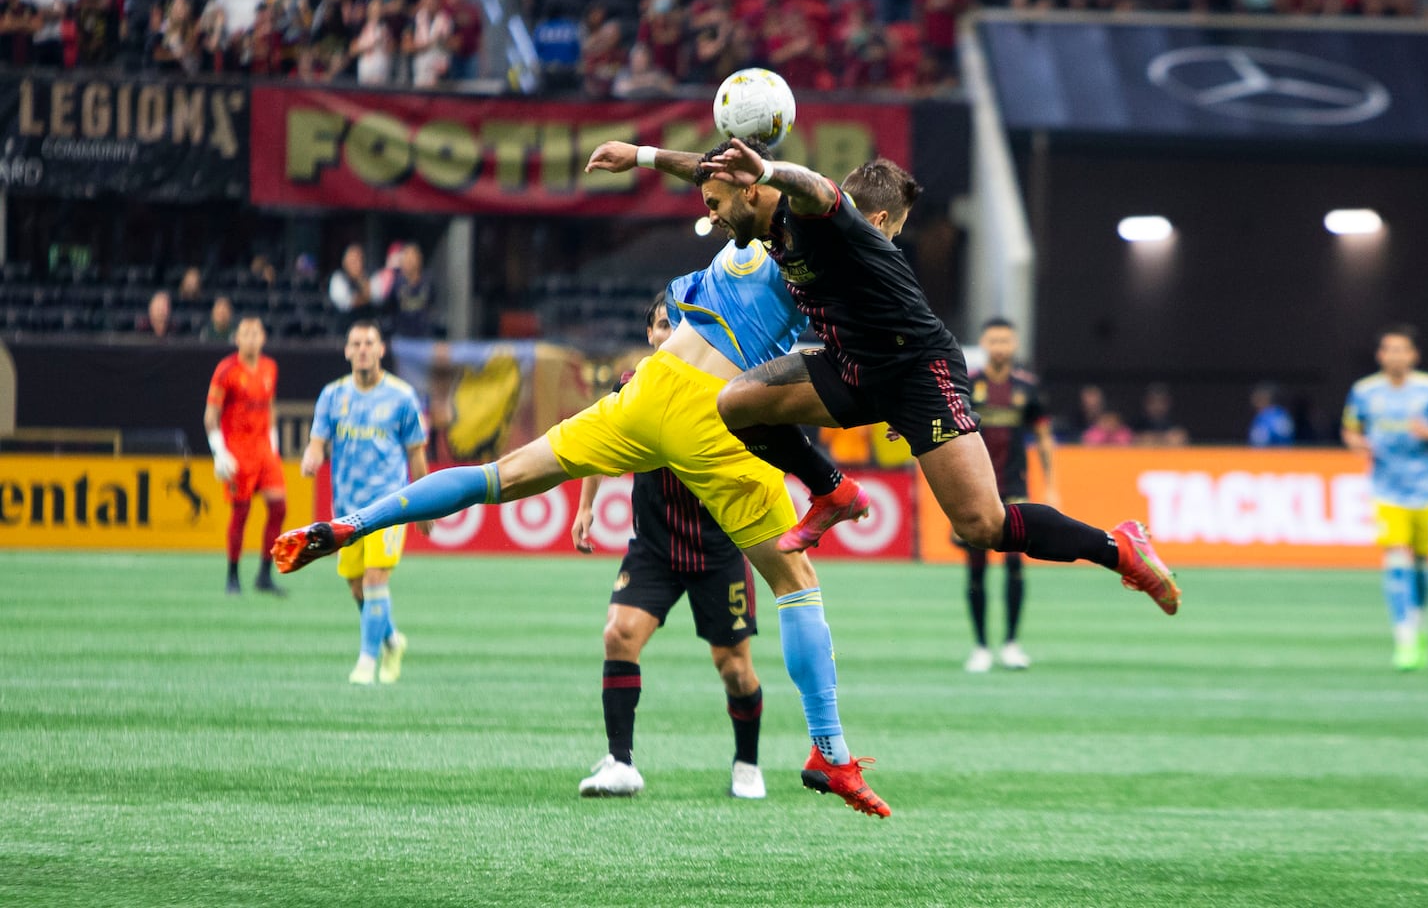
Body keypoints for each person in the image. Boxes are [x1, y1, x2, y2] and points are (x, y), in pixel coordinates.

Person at [274, 138, 893, 818]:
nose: (712, 208)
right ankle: (829, 751)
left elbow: (721, 173)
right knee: (796, 586)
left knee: (498, 476)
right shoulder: (823, 241)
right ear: (881, 220)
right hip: (716, 415)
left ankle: (349, 523)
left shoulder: (745, 223)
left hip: (652, 386)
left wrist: (646, 155)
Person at [694, 141, 1179, 617]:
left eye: (715, 204)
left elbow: (815, 188)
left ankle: (1119, 549)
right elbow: (726, 185)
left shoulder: (835, 222)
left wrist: (769, 168)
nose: (713, 215)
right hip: (855, 369)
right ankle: (832, 490)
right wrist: (641, 157)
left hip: (918, 376)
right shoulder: (778, 223)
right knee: (736, 403)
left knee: (982, 524)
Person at [571, 295, 766, 800]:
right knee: (619, 635)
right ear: (651, 336)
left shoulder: (730, 387)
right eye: (663, 324)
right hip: (655, 547)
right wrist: (585, 506)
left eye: (680, 324)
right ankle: (621, 762)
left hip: (717, 549)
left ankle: (747, 762)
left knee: (735, 668)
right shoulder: (632, 386)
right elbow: (600, 440)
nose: (671, 332)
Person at [303, 321, 430, 684]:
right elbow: (317, 440)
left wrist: (424, 502)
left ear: (380, 350)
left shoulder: (402, 396)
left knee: (375, 580)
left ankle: (365, 662)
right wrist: (312, 457)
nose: (362, 349)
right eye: (355, 343)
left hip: (390, 505)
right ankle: (391, 640)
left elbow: (416, 453)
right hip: (347, 510)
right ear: (346, 351)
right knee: (357, 586)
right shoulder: (332, 396)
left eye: (368, 342)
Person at [1341, 324, 1428, 671]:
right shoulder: (1365, 391)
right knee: (1396, 559)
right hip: (1385, 489)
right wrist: (1358, 443)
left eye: (1402, 350)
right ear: (1380, 355)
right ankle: (1405, 638)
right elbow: (1350, 430)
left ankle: (1420, 620)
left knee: (1423, 565)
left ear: (1414, 355)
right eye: (1389, 350)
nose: (1395, 356)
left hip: (1423, 488)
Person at [959, 317, 1058, 673]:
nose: (1000, 346)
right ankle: (981, 646)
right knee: (976, 569)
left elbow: (1044, 439)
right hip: (975, 491)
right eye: (994, 339)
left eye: (1006, 340)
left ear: (1014, 345)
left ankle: (1012, 643)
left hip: (1015, 490)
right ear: (984, 343)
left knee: (1015, 566)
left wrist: (1051, 487)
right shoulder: (968, 386)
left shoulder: (1027, 390)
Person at [204, 315, 287, 596]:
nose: (251, 338)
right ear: (237, 338)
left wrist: (274, 443)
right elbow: (210, 416)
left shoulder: (269, 367)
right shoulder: (226, 370)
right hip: (238, 450)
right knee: (241, 514)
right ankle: (233, 574)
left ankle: (265, 573)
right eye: (246, 333)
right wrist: (219, 452)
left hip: (263, 449)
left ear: (263, 338)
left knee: (279, 508)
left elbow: (270, 406)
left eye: (256, 333)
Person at [328, 243, 374, 323]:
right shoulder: (338, 278)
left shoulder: (367, 277)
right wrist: (366, 297)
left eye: (360, 259)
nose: (358, 264)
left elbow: (376, 297)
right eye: (354, 261)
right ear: (345, 262)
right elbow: (349, 302)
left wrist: (362, 280)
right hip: (344, 329)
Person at [1249, 383, 1295, 447]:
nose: (1255, 401)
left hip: (1270, 454)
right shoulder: (1282, 413)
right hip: (1284, 453)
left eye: (1259, 397)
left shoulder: (1265, 417)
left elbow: (1260, 442)